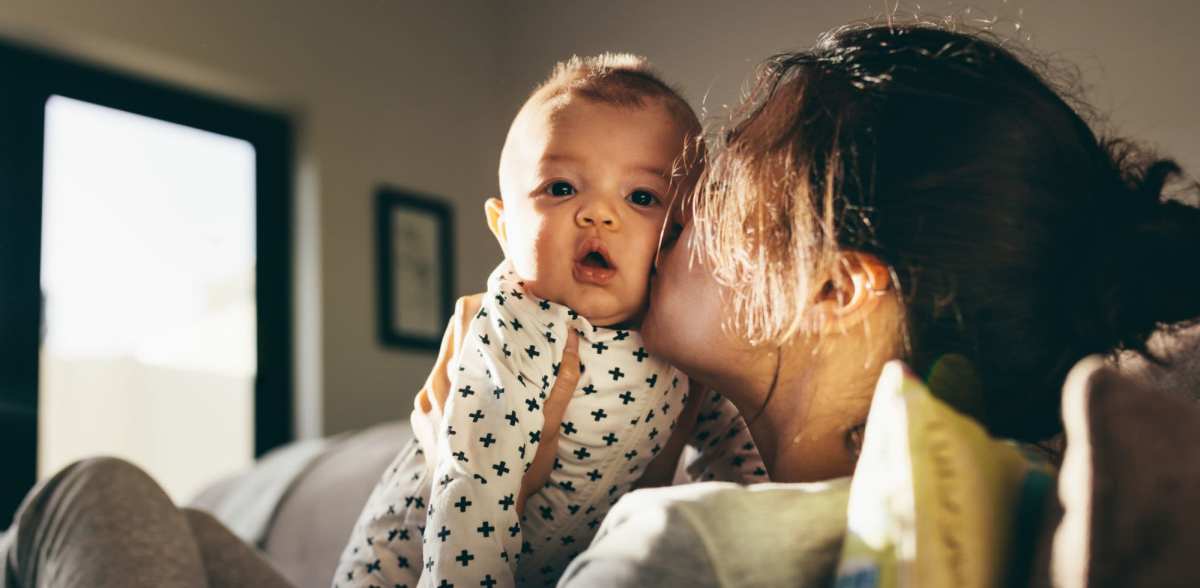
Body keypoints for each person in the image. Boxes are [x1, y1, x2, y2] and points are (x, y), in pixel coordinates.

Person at [5, 19, 1199, 588]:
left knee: (93, 493)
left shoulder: (706, 551)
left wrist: (501, 483)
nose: (662, 215)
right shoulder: (753, 473)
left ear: (837, 286)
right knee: (191, 530)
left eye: (713, 184)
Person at [332, 54, 762, 588]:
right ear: (505, 227)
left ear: (682, 232)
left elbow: (738, 457)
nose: (600, 214)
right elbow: (474, 494)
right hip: (408, 565)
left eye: (642, 197)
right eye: (561, 189)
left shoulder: (678, 335)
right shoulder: (515, 324)